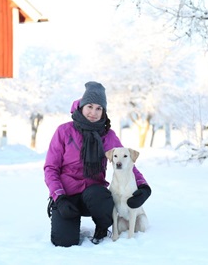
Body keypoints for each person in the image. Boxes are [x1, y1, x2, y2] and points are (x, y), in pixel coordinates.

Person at [44, 81, 152, 247]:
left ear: (103, 111)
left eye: (98, 108)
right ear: (81, 106)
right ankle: (69, 221)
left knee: (101, 198)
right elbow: (51, 168)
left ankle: (102, 227)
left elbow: (126, 161)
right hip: (67, 195)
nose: (93, 112)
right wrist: (59, 197)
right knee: (63, 241)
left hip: (93, 195)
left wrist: (143, 187)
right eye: (90, 106)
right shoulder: (64, 131)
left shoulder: (108, 136)